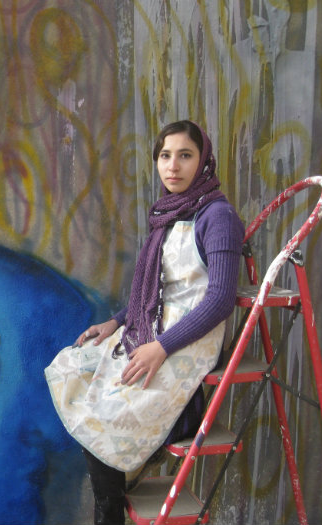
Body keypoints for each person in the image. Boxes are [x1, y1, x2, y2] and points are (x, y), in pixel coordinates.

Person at [44, 120, 245, 525]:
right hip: (153, 328)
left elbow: (221, 299)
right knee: (75, 364)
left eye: (185, 155)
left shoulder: (217, 216)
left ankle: (112, 506)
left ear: (203, 160)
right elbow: (156, 289)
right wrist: (117, 323)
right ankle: (111, 505)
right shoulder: (168, 215)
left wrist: (162, 346)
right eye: (165, 156)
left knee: (109, 408)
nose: (173, 166)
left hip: (189, 337)